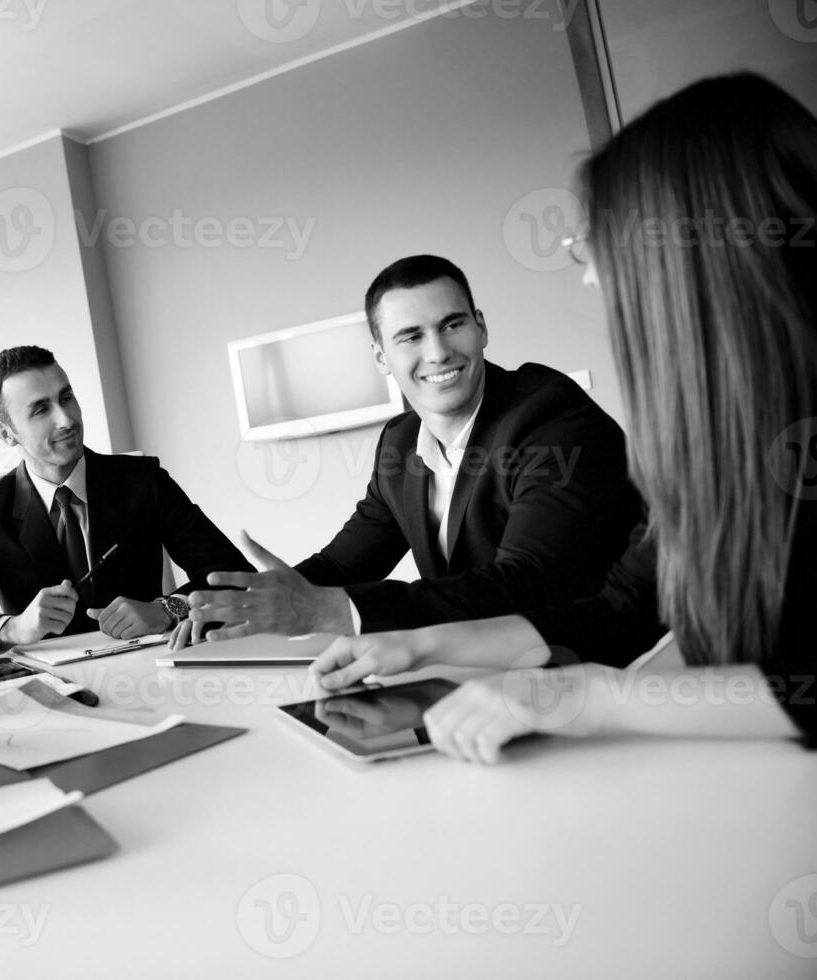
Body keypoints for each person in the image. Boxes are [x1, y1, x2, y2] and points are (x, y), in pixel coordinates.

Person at [310, 72, 817, 761]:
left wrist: (582, 697)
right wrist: (419, 644)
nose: (589, 276)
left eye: (598, 246)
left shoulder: (551, 417)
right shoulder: (719, 432)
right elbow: (622, 609)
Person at [180, 255, 642, 648]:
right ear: (381, 356)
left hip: (597, 669)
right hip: (477, 673)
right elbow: (343, 565)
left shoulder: (550, 418)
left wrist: (336, 611)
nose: (438, 352)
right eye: (410, 336)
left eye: (452, 324)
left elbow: (529, 583)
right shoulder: (400, 443)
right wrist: (238, 607)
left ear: (480, 328)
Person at [0, 345, 251, 653]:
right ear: (6, 433)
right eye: (40, 410)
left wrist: (167, 608)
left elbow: (238, 577)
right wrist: (15, 629)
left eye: (66, 398)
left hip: (153, 673)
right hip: (52, 697)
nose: (66, 419)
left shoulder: (143, 479)